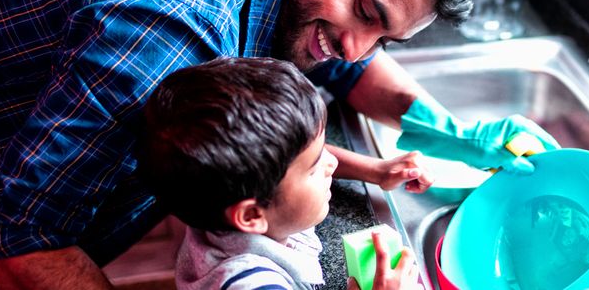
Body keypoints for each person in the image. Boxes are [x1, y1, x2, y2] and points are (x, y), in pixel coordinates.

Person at [0, 0, 558, 288]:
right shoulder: (175, 27)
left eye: (386, 36)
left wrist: (447, 127)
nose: (360, 50)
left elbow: (337, 56)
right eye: (365, 12)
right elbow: (19, 239)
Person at [140, 57, 417, 290]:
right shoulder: (250, 282)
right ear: (251, 215)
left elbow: (293, 160)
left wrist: (377, 170)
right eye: (314, 167)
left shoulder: (225, 200)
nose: (331, 163)